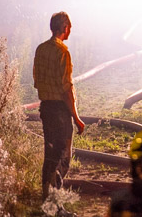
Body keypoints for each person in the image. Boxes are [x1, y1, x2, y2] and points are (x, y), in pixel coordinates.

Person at [33, 11, 86, 201]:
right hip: (60, 112)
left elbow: (37, 81)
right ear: (64, 28)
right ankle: (55, 205)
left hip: (46, 109)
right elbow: (66, 89)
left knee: (50, 155)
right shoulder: (62, 51)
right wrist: (76, 117)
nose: (69, 31)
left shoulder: (40, 49)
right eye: (69, 28)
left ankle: (46, 199)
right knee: (62, 158)